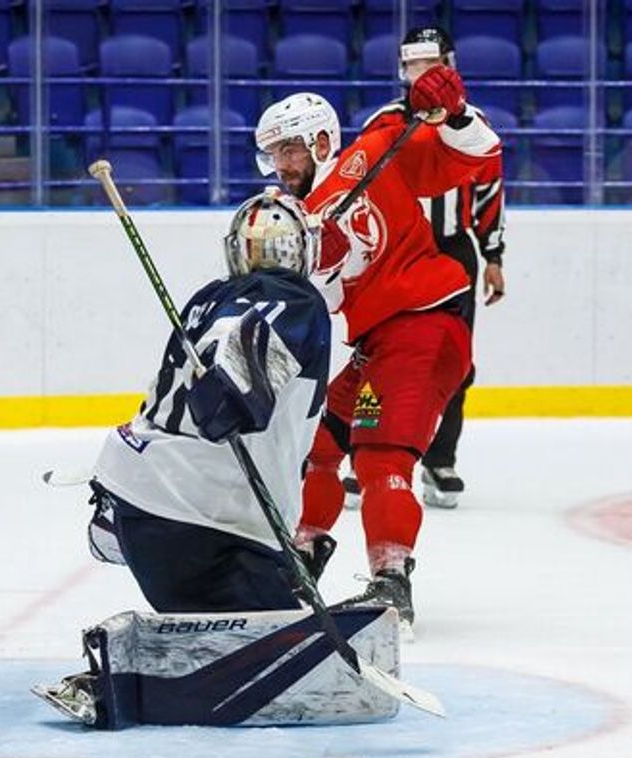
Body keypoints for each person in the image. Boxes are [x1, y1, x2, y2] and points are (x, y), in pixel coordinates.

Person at [36, 189, 355, 728]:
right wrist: (237, 390)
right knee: (282, 659)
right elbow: (251, 346)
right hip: (211, 525)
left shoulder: (207, 297)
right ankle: (123, 677)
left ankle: (135, 651)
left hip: (138, 503)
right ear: (302, 252)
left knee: (232, 620)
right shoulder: (298, 302)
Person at [253, 78, 501, 633]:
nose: (280, 165)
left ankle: (392, 581)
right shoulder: (297, 219)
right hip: (378, 343)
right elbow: (323, 297)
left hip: (426, 323)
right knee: (320, 445)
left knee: (380, 454)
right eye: (273, 155)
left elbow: (478, 155)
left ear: (320, 142)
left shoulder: (375, 149)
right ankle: (305, 555)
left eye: (288, 150)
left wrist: (453, 111)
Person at [342, 26, 508, 509]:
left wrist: (493, 255)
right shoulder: (384, 121)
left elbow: (489, 191)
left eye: (429, 62)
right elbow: (359, 185)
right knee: (374, 358)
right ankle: (364, 457)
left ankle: (440, 458)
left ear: (449, 65)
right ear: (400, 68)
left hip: (455, 253)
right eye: (412, 63)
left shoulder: (471, 124)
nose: (421, 72)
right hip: (394, 253)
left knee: (453, 361)